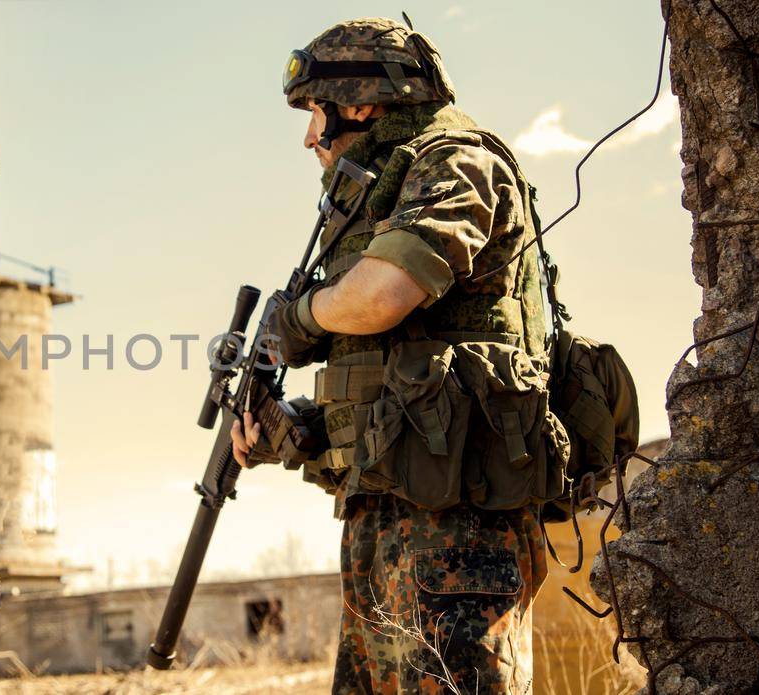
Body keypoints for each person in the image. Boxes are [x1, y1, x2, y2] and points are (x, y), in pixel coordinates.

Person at [230, 16, 566, 694]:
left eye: (314, 113)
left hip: (460, 531)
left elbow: (380, 297)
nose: (308, 138)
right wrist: (297, 431)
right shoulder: (377, 194)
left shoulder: (457, 160)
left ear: (359, 102)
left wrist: (297, 318)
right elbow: (392, 376)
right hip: (388, 524)